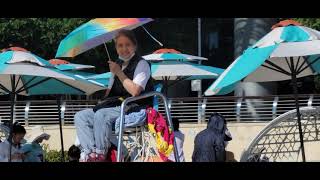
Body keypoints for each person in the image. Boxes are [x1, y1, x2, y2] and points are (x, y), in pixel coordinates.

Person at [74, 29, 154, 162]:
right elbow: (109, 92)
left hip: (132, 105)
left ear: (134, 45)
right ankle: (90, 153)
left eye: (127, 44)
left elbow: (135, 91)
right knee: (81, 116)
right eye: (120, 45)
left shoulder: (142, 64)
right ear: (116, 48)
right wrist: (102, 101)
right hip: (114, 105)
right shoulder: (117, 65)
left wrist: (119, 73)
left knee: (101, 115)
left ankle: (101, 153)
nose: (124, 49)